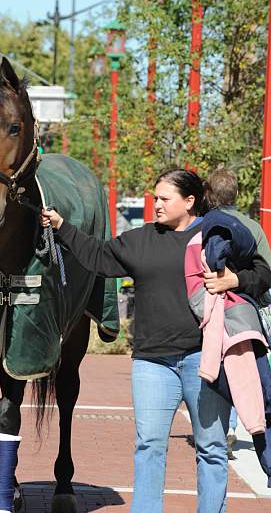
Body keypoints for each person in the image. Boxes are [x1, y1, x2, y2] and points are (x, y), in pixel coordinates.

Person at [41, 168, 271, 513]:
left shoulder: (216, 233)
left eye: (164, 198)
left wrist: (234, 279)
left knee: (210, 447)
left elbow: (263, 273)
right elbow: (97, 255)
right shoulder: (141, 239)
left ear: (189, 201)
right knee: (149, 445)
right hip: (151, 362)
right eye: (155, 198)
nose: (156, 204)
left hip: (203, 360)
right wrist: (61, 227)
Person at [205, 168, 271, 457]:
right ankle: (246, 424)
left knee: (223, 363)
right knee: (247, 365)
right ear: (237, 194)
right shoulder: (252, 227)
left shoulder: (205, 224)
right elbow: (266, 268)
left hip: (214, 309)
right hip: (246, 310)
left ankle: (228, 425)